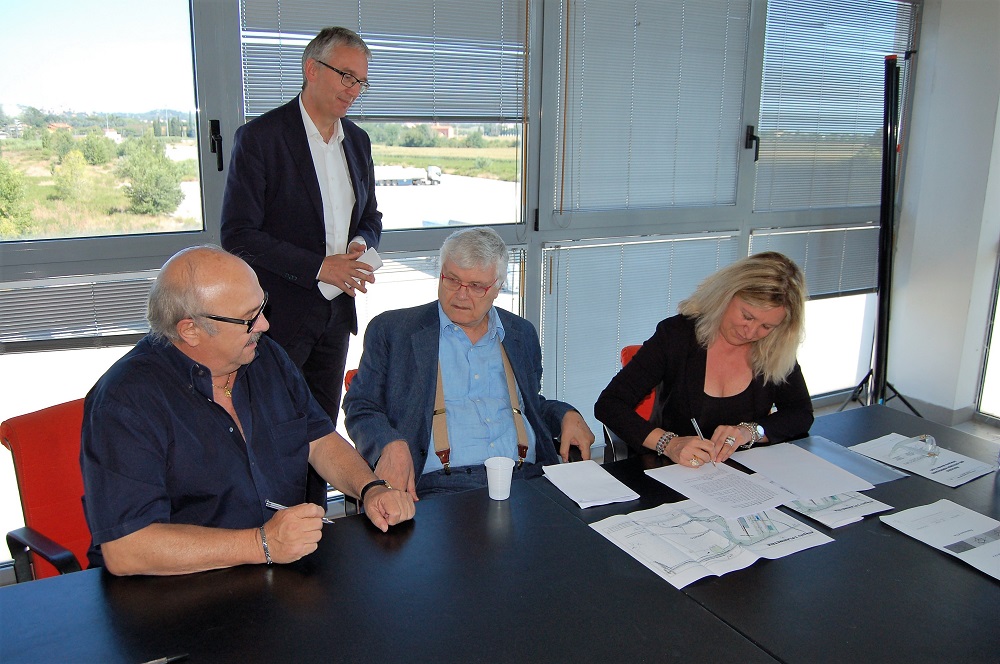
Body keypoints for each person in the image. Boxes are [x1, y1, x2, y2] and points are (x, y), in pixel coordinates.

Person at [80, 246, 414, 576]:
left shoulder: (265, 357)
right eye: (248, 318)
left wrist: (371, 489)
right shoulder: (126, 401)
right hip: (175, 586)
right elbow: (126, 549)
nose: (264, 325)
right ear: (190, 330)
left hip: (279, 569)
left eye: (262, 307)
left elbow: (319, 440)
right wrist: (261, 544)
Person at [343, 227, 595, 499]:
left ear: (498, 287)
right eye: (452, 280)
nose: (461, 295)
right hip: (439, 488)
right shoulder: (394, 331)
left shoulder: (521, 333)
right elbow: (361, 406)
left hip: (526, 479)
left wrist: (565, 415)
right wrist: (388, 444)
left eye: (476, 286)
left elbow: (529, 404)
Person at [595, 251, 813, 467]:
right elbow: (610, 404)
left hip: (742, 470)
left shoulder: (774, 347)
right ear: (725, 295)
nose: (750, 332)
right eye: (747, 316)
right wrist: (668, 444)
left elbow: (800, 412)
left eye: (766, 326)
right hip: (673, 468)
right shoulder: (677, 335)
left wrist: (751, 431)